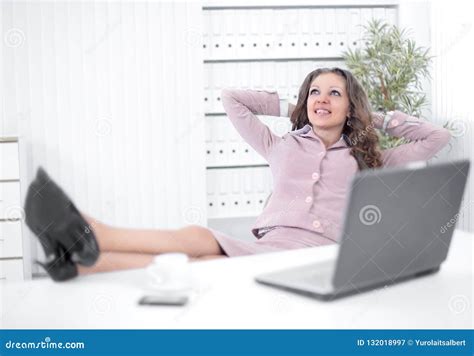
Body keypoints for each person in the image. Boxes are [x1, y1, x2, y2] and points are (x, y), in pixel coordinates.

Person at [24, 67, 451, 281]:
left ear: (349, 105)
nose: (322, 99)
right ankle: (83, 260)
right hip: (273, 246)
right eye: (314, 92)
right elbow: (232, 98)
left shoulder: (369, 161)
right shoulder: (280, 144)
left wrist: (370, 117)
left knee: (205, 256)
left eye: (334, 93)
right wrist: (291, 108)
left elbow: (435, 138)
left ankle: (87, 235)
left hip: (319, 257)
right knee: (203, 250)